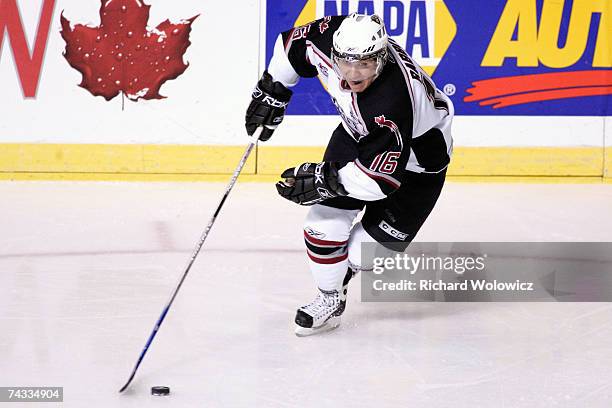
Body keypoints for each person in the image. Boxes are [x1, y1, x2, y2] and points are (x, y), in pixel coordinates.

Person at [245, 13, 454, 336]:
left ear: (381, 58)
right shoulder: (329, 37)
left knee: (364, 252)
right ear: (336, 52)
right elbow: (291, 45)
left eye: (366, 64)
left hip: (418, 164)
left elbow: (381, 181)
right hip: (358, 134)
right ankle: (329, 300)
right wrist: (274, 89)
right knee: (322, 225)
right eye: (346, 62)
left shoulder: (391, 101)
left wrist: (322, 180)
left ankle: (344, 273)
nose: (353, 74)